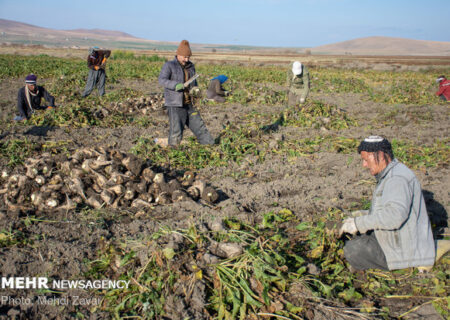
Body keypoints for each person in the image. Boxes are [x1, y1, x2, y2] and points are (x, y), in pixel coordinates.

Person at [339, 136, 437, 271]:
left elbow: (394, 216)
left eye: (366, 159)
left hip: (405, 251)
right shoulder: (392, 174)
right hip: (399, 240)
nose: (364, 165)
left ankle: (391, 265)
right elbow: (390, 209)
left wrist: (359, 223)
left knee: (353, 249)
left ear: (380, 155)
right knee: (354, 237)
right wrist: (363, 215)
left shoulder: (396, 179)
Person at [157, 40, 214, 146]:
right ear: (178, 54)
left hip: (189, 104)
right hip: (175, 104)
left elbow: (193, 81)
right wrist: (175, 85)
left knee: (200, 127)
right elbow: (162, 80)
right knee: (176, 131)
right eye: (184, 57)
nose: (186, 60)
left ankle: (210, 147)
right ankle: (173, 154)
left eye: (188, 57)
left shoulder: (191, 67)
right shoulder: (169, 65)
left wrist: (195, 90)